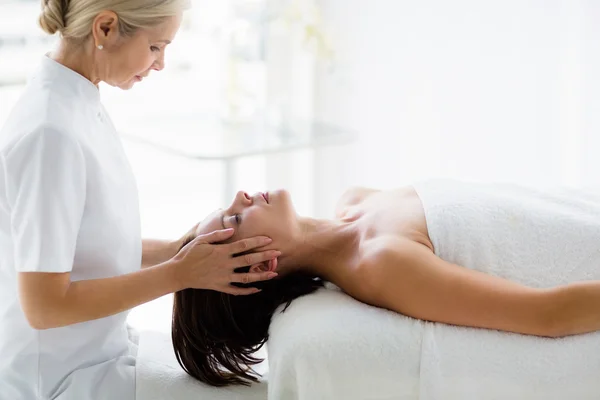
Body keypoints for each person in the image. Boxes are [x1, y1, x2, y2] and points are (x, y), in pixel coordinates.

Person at [0, 1, 280, 399]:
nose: (161, 63)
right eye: (155, 47)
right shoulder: (51, 134)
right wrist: (179, 273)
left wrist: (175, 250)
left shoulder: (79, 102)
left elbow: (84, 249)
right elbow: (44, 306)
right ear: (106, 29)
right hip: (60, 381)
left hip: (99, 354)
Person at [172, 180, 600, 387]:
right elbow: (547, 314)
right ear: (262, 265)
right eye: (234, 219)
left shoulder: (354, 202)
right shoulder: (381, 264)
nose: (242, 197)